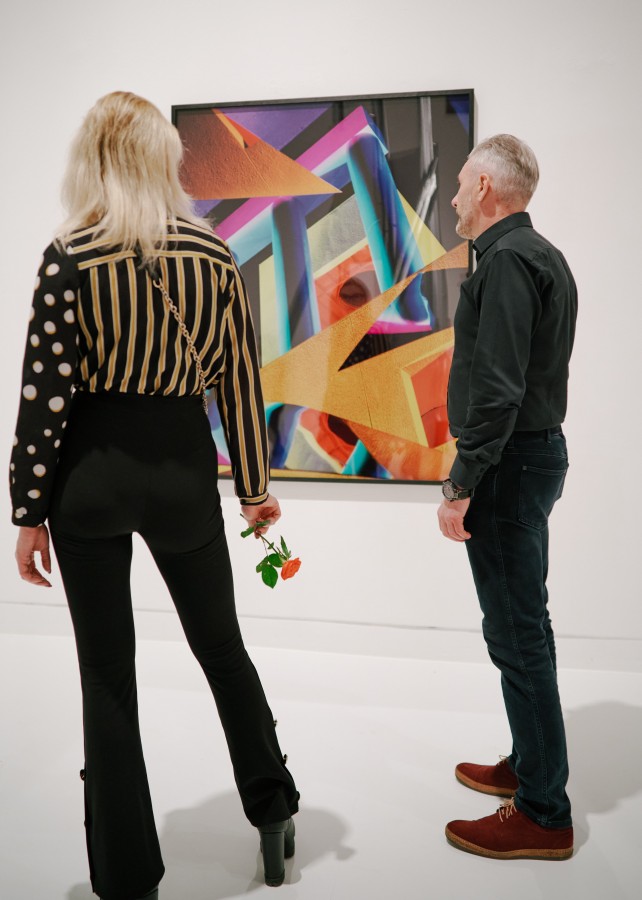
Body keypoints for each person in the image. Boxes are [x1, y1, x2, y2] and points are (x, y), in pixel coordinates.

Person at [10, 91, 299, 899]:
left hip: (91, 479)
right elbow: (239, 380)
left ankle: (127, 875)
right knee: (222, 648)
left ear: (96, 159)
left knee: (106, 673)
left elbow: (45, 396)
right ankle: (272, 808)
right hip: (181, 475)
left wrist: (27, 509)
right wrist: (253, 489)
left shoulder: (71, 255)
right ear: (164, 160)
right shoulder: (213, 254)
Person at [437, 134, 577, 860]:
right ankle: (529, 766)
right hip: (527, 458)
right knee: (523, 627)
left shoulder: (510, 261)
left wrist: (461, 482)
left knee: (518, 634)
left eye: (462, 183)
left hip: (508, 466)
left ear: (487, 187)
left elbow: (498, 389)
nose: (455, 196)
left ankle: (545, 814)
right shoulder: (535, 254)